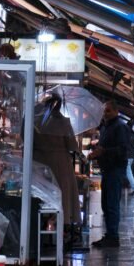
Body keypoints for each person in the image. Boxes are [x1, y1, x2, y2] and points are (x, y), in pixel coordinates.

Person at [33, 93, 82, 249]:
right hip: (61, 164)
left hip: (39, 162)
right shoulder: (64, 123)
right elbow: (72, 146)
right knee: (62, 197)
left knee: (43, 196)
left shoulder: (36, 121)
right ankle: (61, 229)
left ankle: (43, 229)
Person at [89, 99, 129, 248]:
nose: (105, 114)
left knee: (112, 204)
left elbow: (123, 151)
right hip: (107, 170)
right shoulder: (106, 127)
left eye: (108, 111)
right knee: (106, 204)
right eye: (104, 111)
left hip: (115, 170)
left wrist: (104, 152)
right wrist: (97, 153)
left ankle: (113, 236)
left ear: (116, 111)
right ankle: (110, 234)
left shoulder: (120, 127)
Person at [123, 121, 134, 195]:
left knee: (128, 172)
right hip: (132, 155)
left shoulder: (124, 134)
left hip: (126, 155)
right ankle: (129, 185)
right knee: (128, 171)